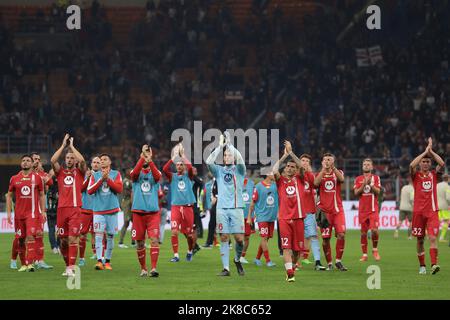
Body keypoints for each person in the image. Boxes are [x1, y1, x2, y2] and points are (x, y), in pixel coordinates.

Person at [206, 132, 246, 276]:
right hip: (222, 208)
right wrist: (220, 146)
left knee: (239, 240)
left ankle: (237, 259)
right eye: (225, 155)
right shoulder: (219, 171)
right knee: (223, 237)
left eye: (229, 155)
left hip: (236, 208)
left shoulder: (240, 170)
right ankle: (226, 269)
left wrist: (230, 145)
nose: (227, 156)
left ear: (233, 157)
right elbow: (208, 162)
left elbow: (240, 158)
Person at [51, 134, 87, 277]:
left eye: (72, 158)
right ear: (65, 160)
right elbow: (53, 160)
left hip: (75, 209)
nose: (70, 159)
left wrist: (72, 146)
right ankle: (67, 266)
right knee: (64, 241)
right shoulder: (60, 172)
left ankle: (71, 267)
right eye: (68, 158)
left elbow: (83, 160)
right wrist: (63, 146)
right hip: (61, 210)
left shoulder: (80, 172)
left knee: (73, 239)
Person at [271, 141, 306, 282]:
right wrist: (284, 156)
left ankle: (292, 265)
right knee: (286, 247)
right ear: (285, 169)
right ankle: (289, 272)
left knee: (297, 250)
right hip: (284, 219)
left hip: (299, 218)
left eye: (293, 167)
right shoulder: (280, 182)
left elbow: (302, 166)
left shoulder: (300, 179)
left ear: (296, 170)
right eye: (288, 167)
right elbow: (274, 170)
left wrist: (291, 152)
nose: (290, 168)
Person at [409, 137, 444, 275]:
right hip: (418, 212)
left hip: (432, 211)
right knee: (420, 239)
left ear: (430, 164)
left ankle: (434, 264)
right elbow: (412, 165)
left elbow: (441, 163)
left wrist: (431, 151)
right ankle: (422, 265)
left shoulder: (434, 175)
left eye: (427, 161)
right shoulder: (415, 175)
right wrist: (424, 152)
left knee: (433, 237)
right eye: (423, 161)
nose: (425, 163)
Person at [6, 155, 46, 272]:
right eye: (23, 161)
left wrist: (43, 211)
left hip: (32, 214)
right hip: (19, 215)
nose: (25, 163)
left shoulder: (37, 178)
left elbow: (42, 195)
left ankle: (30, 263)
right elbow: (9, 196)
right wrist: (9, 213)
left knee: (30, 236)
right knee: (20, 239)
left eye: (28, 161)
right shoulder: (14, 178)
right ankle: (24, 264)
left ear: (32, 163)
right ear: (20, 164)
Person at [130, 145, 162, 277]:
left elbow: (157, 177)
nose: (145, 157)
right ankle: (143, 268)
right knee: (140, 242)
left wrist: (150, 161)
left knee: (154, 240)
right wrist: (142, 158)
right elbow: (134, 175)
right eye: (143, 155)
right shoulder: (135, 172)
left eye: (148, 154)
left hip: (153, 213)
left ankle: (153, 268)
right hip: (138, 213)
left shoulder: (156, 172)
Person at [88, 153, 123, 270]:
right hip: (98, 210)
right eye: (101, 159)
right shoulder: (95, 175)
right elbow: (89, 190)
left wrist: (107, 179)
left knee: (110, 237)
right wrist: (101, 180)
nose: (102, 161)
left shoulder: (116, 174)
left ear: (110, 162)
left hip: (112, 210)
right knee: (98, 236)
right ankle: (99, 261)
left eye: (105, 159)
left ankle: (107, 261)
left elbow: (119, 189)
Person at [163, 143, 197, 262]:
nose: (178, 166)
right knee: (174, 232)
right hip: (176, 207)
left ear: (184, 166)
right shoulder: (172, 177)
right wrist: (173, 158)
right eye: (177, 165)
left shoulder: (189, 176)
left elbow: (190, 166)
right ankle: (176, 255)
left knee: (189, 235)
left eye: (180, 164)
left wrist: (182, 156)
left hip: (188, 208)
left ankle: (189, 251)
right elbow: (164, 169)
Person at [314, 153, 348, 271]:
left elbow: (342, 179)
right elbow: (315, 183)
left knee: (342, 234)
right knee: (325, 239)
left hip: (337, 210)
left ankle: (338, 261)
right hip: (325, 212)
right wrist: (324, 170)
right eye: (325, 160)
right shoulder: (320, 174)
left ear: (333, 161)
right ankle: (329, 263)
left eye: (329, 159)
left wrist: (333, 168)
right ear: (322, 162)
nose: (327, 161)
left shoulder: (338, 172)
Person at [297, 153, 326, 270]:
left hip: (309, 212)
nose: (304, 162)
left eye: (306, 161)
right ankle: (296, 262)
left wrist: (323, 169)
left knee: (313, 236)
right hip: (296, 213)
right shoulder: (294, 175)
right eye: (302, 160)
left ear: (309, 164)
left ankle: (318, 262)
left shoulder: (310, 175)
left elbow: (316, 184)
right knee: (298, 238)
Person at [354, 158, 382, 262]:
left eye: (368, 164)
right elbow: (356, 193)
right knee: (363, 233)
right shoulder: (358, 179)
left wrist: (370, 184)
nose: (366, 166)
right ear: (362, 166)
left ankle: (375, 249)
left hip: (373, 209)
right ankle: (364, 254)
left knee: (374, 230)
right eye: (364, 164)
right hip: (362, 210)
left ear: (372, 167)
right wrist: (363, 184)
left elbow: (378, 192)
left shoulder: (376, 178)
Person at [248, 172, 277, 267]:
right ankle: (268, 261)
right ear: (268, 174)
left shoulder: (275, 186)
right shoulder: (258, 187)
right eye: (272, 173)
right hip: (262, 216)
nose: (274, 174)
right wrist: (249, 217)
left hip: (271, 216)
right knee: (264, 237)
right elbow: (253, 202)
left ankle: (257, 258)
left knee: (266, 238)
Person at [30, 152, 54, 269]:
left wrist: (45, 175)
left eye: (39, 159)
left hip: (39, 209)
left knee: (39, 234)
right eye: (35, 159)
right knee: (27, 236)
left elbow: (50, 182)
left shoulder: (41, 173)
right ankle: (27, 260)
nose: (37, 161)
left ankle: (39, 260)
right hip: (27, 209)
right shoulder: (24, 174)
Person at [79, 156, 101, 266]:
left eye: (98, 162)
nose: (96, 164)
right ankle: (82, 258)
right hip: (85, 210)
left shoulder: (103, 176)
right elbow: (81, 189)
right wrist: (88, 178)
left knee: (97, 234)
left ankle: (96, 254)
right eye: (94, 162)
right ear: (91, 164)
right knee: (82, 234)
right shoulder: (85, 175)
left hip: (98, 210)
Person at [239, 175, 255, 264]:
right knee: (239, 237)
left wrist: (254, 213)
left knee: (247, 236)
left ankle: (242, 256)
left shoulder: (251, 183)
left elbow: (254, 198)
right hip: (238, 214)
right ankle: (238, 255)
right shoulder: (236, 182)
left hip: (248, 215)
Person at [118, 168, 135, 248]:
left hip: (131, 203)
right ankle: (120, 242)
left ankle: (133, 242)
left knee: (135, 223)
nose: (131, 172)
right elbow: (126, 192)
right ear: (127, 173)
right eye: (130, 171)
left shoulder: (131, 181)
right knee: (126, 222)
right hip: (127, 203)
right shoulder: (126, 181)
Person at [46, 170, 60, 255]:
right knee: (55, 230)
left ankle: (55, 246)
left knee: (54, 230)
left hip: (53, 210)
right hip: (54, 210)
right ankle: (56, 246)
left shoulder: (48, 185)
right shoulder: (59, 184)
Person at [202, 176, 218, 248]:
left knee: (219, 225)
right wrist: (204, 208)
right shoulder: (207, 184)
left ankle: (228, 243)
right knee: (212, 225)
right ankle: (209, 243)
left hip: (219, 205)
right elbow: (204, 196)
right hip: (212, 206)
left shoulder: (219, 180)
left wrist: (217, 198)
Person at [191, 166, 203, 254]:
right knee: (185, 229)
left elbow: (200, 183)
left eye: (194, 170)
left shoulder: (198, 181)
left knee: (194, 228)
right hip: (186, 207)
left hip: (195, 207)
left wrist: (192, 175)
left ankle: (194, 246)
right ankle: (195, 246)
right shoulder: (187, 179)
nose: (192, 172)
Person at [437, 174, 449, 242]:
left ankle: (430, 234)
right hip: (444, 206)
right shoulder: (447, 187)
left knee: (437, 221)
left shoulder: (437, 185)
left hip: (437, 206)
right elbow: (448, 198)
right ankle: (441, 238)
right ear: (448, 179)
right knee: (447, 221)